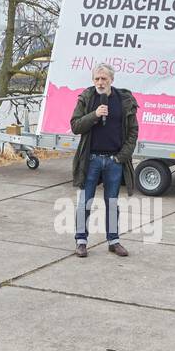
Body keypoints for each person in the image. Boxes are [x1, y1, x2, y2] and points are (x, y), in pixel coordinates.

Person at [69, 63, 138, 258]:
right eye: (97, 79)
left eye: (104, 79)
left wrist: (121, 157)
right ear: (93, 80)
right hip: (90, 160)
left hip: (114, 161)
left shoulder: (124, 100)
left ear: (111, 80)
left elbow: (133, 131)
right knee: (85, 202)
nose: (100, 82)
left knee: (112, 202)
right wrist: (95, 115)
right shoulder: (87, 98)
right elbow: (75, 125)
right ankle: (81, 241)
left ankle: (113, 241)